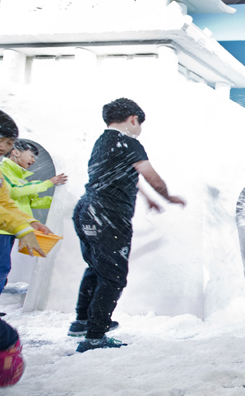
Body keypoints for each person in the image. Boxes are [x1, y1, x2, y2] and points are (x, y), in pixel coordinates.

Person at [69, 98, 185, 352]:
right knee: (113, 277)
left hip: (86, 210)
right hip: (108, 215)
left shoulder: (103, 141)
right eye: (139, 124)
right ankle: (95, 335)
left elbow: (124, 176)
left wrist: (148, 199)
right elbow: (150, 176)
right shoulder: (129, 142)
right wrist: (167, 197)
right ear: (133, 119)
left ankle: (82, 321)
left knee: (97, 268)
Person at [0, 107, 52, 387]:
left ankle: (6, 341)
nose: (3, 148)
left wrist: (29, 222)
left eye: (9, 144)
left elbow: (2, 203)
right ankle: (5, 340)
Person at [0, 140, 68, 313]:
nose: (33, 160)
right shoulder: (1, 171)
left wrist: (61, 201)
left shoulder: (17, 177)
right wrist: (49, 183)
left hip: (8, 228)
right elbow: (15, 191)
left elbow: (29, 199)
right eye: (31, 155)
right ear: (16, 152)